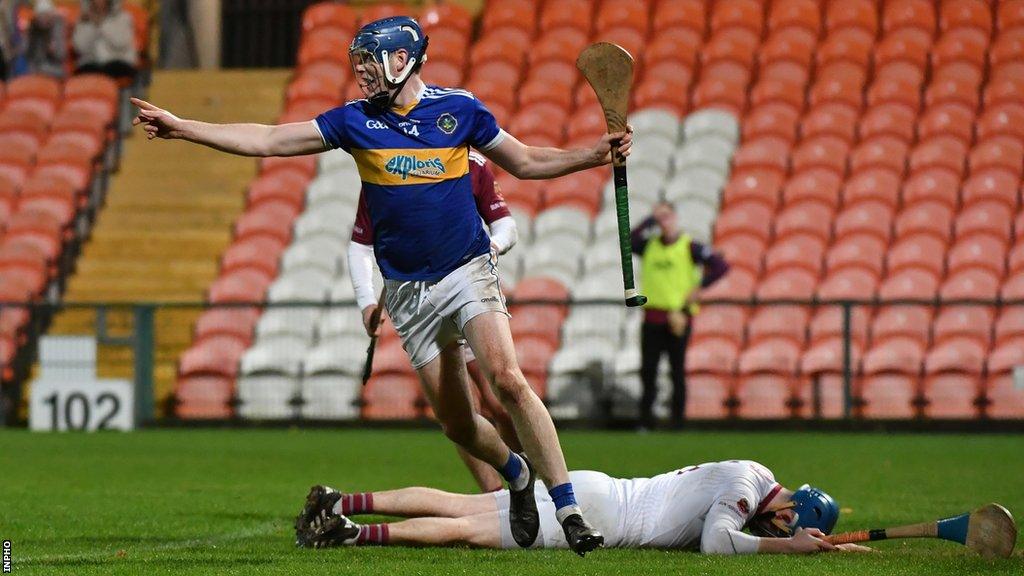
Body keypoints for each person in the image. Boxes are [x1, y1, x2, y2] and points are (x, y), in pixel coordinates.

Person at [131, 16, 633, 556]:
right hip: (408, 294)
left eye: (371, 62)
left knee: (508, 379)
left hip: (467, 269)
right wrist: (185, 127)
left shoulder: (460, 110)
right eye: (359, 64)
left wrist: (593, 155)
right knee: (460, 428)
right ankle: (516, 474)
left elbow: (528, 161)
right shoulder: (354, 121)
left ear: (403, 59)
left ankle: (568, 508)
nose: (363, 74)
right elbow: (271, 139)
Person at [348, 150, 522, 493]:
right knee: (457, 412)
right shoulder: (381, 174)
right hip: (419, 304)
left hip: (468, 293)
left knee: (499, 399)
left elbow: (506, 225)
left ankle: (533, 485)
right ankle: (495, 496)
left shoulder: (472, 166)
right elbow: (360, 245)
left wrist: (493, 245)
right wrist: (367, 301)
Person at [293, 459, 870, 555]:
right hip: (604, 518)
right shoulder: (744, 495)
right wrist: (784, 546)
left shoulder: (759, 474)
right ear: (790, 516)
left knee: (461, 501)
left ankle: (343, 500)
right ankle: (348, 533)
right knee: (467, 529)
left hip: (599, 488)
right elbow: (719, 542)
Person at [631, 202, 729, 430]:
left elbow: (720, 265)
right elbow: (629, 241)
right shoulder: (649, 246)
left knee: (676, 370)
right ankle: (646, 422)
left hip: (678, 316)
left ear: (675, 218)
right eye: (660, 217)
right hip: (653, 316)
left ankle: (678, 423)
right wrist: (649, 220)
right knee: (649, 371)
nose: (663, 221)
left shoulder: (689, 246)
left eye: (667, 216)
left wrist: (699, 288)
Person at [72, 0, 136, 79]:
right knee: (85, 72)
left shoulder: (124, 17)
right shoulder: (83, 20)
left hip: (119, 62)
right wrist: (92, 25)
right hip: (91, 64)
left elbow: (120, 42)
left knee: (111, 70)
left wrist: (100, 23)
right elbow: (80, 47)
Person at [25, 0, 66, 79]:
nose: (44, 19)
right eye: (41, 15)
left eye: (46, 15)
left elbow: (61, 56)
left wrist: (53, 51)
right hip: (34, 68)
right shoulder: (32, 30)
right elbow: (27, 55)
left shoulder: (57, 29)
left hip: (54, 68)